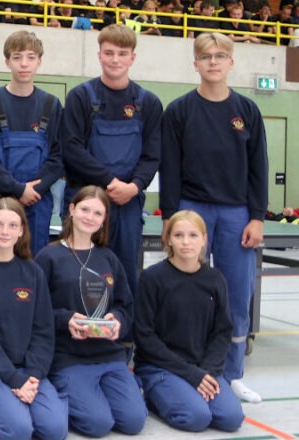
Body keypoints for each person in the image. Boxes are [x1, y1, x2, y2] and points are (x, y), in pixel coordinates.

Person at [160, 32, 268, 404]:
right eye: (206, 56)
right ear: (195, 63)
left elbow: (259, 168)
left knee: (236, 296)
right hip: (192, 208)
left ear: (231, 62)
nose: (213, 62)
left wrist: (256, 217)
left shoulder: (248, 111)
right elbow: (169, 167)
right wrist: (171, 217)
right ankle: (189, 368)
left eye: (221, 56)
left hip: (236, 213)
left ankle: (232, 374)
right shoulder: (179, 111)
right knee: (188, 294)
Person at [61, 24, 162, 304]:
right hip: (85, 200)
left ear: (132, 58)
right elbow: (71, 149)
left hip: (127, 203)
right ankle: (77, 331)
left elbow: (153, 155)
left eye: (122, 53)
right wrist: (110, 182)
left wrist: (135, 186)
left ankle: (124, 335)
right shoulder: (81, 97)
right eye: (109, 53)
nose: (115, 59)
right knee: (78, 269)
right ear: (99, 55)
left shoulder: (148, 103)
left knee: (124, 272)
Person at [35, 186, 147, 437]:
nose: (89, 217)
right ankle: (62, 392)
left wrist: (117, 320)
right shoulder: (48, 256)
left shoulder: (108, 258)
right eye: (85, 209)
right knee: (98, 424)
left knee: (133, 422)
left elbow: (125, 305)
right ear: (72, 210)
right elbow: (35, 312)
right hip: (68, 357)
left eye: (98, 213)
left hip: (108, 355)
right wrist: (66, 320)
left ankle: (115, 391)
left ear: (104, 219)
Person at [0, 197, 68, 440]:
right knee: (19, 430)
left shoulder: (32, 271)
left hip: (26, 369)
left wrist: (33, 374)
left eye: (12, 225)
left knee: (55, 430)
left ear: (21, 231)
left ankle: (10, 400)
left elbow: (43, 330)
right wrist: (12, 378)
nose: (4, 231)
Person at [134, 210, 245, 432]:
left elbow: (222, 332)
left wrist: (206, 371)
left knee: (231, 418)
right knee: (196, 417)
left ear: (204, 239)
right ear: (169, 239)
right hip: (161, 367)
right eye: (179, 235)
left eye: (193, 235)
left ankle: (184, 392)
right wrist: (191, 375)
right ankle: (153, 396)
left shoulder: (215, 279)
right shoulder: (152, 278)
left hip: (201, 367)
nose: (186, 242)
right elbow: (145, 336)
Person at [0, 31, 63, 256]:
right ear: (7, 61)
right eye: (17, 57)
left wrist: (32, 190)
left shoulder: (51, 105)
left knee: (33, 264)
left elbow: (58, 158)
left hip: (37, 203)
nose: (24, 64)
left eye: (30, 57)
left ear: (39, 61)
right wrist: (16, 189)